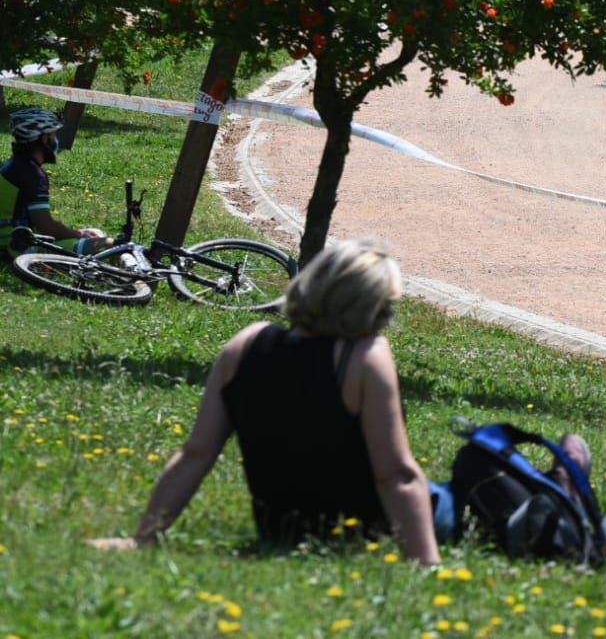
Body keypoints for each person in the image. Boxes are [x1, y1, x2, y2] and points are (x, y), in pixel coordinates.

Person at [93, 239, 441, 565]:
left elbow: (196, 454)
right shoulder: (364, 357)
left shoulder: (246, 344)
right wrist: (427, 564)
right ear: (372, 306)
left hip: (279, 529)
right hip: (360, 532)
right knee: (460, 495)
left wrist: (143, 538)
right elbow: (396, 475)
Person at [1, 106, 110, 257]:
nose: (56, 140)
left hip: (11, 238)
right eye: (54, 135)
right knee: (105, 244)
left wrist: (79, 233)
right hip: (14, 248)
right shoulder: (33, 174)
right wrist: (79, 234)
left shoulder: (12, 165)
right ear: (44, 139)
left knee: (95, 233)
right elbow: (48, 228)